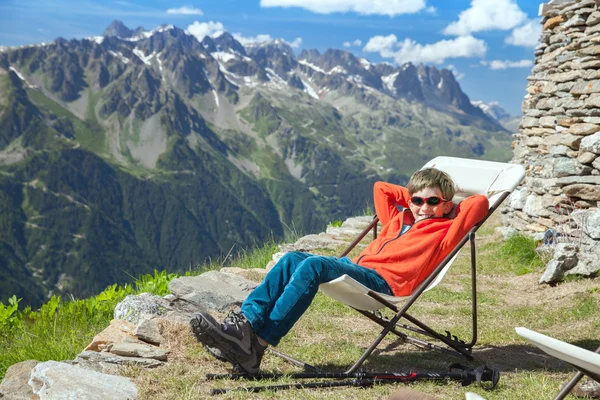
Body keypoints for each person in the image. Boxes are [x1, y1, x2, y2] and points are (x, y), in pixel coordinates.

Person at [190, 168, 489, 373]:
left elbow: (479, 202)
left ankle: (259, 344)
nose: (424, 207)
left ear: (447, 204)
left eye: (433, 201)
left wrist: (448, 199)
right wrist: (415, 196)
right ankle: (246, 324)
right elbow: (382, 189)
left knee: (314, 265)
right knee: (294, 258)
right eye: (418, 200)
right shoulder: (398, 219)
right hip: (358, 269)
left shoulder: (446, 230)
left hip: (386, 284)